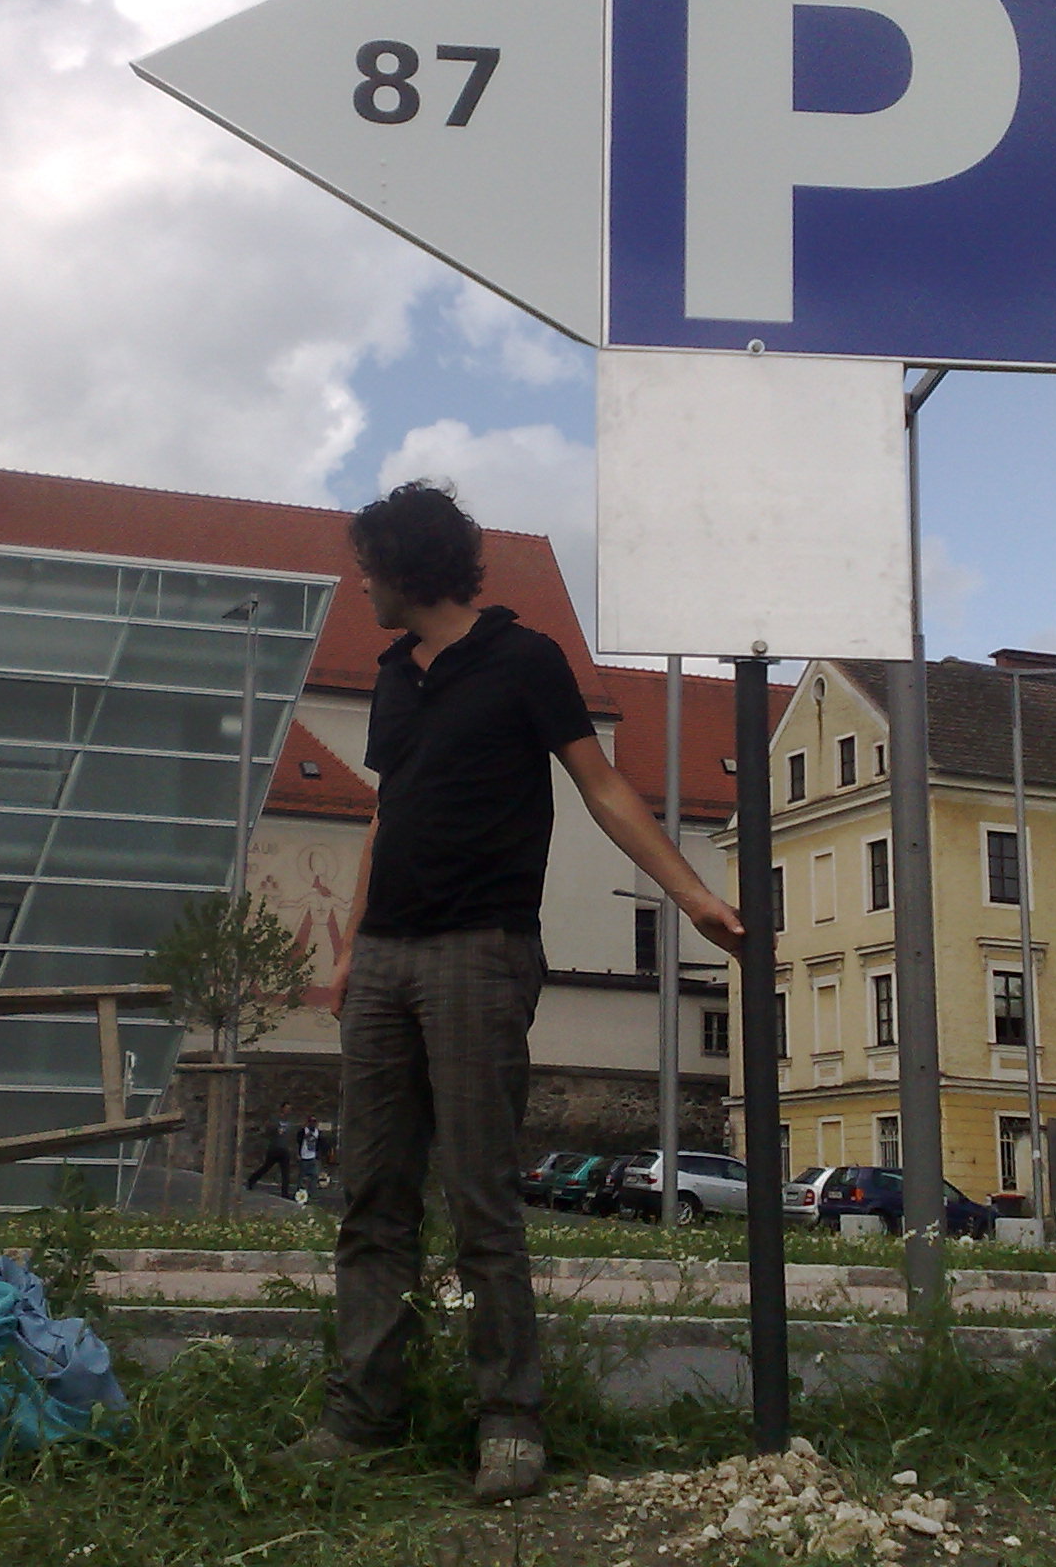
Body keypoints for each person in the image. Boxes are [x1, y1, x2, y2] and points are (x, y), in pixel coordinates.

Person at [273, 482, 742, 1504]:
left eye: (367, 567)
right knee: (371, 1196)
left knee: (482, 1194)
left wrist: (693, 893)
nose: (360, 585)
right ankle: (364, 1411)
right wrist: (352, 950)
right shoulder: (397, 675)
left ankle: (510, 1424)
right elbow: (388, 814)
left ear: (407, 566)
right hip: (388, 956)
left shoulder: (526, 661)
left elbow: (604, 786)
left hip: (480, 952)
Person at [244, 1103, 294, 1199]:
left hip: (284, 1149)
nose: (288, 1111)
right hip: (274, 1148)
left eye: (290, 1109)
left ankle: (285, 1193)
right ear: (282, 1109)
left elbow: (289, 1136)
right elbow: (267, 1132)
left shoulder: (289, 1122)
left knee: (286, 1172)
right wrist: (274, 1130)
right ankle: (251, 1180)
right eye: (286, 1108)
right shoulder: (275, 1119)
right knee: (266, 1167)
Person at [296, 1115, 324, 1199]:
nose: (313, 1123)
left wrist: (319, 1154)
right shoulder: (303, 1131)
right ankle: (300, 1193)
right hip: (304, 1156)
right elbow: (298, 1141)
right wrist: (298, 1153)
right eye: (311, 1121)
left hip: (313, 1157)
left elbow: (321, 1144)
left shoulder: (318, 1132)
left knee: (314, 1176)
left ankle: (312, 1193)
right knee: (302, 1176)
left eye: (314, 1121)